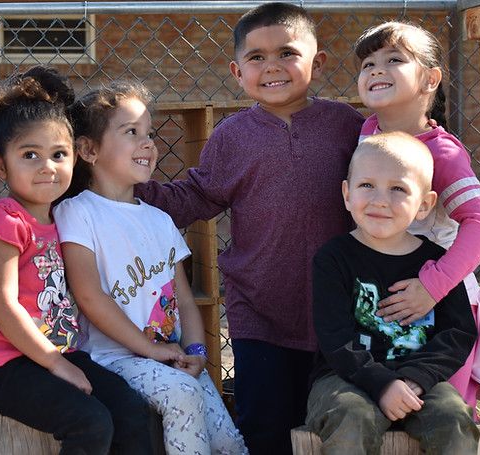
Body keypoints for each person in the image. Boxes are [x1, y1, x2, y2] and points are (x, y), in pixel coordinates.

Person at [134, 3, 364, 453]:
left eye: (287, 53)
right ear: (238, 72)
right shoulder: (232, 136)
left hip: (339, 310)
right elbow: (196, 197)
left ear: (317, 62)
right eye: (257, 58)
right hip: (258, 310)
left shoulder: (348, 126)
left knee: (329, 424)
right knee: (266, 427)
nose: (272, 66)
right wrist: (125, 185)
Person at [0, 66, 153, 455]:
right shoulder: (4, 221)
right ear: (0, 164)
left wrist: (62, 361)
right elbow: (2, 304)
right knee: (90, 422)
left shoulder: (61, 218)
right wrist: (56, 364)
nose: (47, 166)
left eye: (58, 154)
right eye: (30, 155)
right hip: (6, 366)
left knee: (132, 412)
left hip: (59, 354)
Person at [53, 80, 248, 455]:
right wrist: (149, 348)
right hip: (113, 358)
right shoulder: (77, 213)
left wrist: (195, 351)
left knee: (228, 441)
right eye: (131, 132)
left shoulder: (159, 219)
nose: (148, 143)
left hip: (172, 356)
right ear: (89, 149)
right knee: (182, 395)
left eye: (149, 133)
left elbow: (185, 300)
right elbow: (90, 296)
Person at [354, 20, 480, 438]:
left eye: (394, 60)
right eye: (368, 63)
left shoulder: (440, 152)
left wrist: (434, 285)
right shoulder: (367, 133)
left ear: (430, 78)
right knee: (383, 417)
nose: (376, 69)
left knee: (438, 416)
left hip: (441, 308)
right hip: (386, 301)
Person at [307, 131, 479, 454]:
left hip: (419, 382)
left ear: (425, 204)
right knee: (351, 416)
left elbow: (458, 333)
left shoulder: (437, 263)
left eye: (398, 189)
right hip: (346, 378)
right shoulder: (332, 259)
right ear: (347, 194)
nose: (380, 200)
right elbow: (335, 338)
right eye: (366, 185)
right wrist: (382, 384)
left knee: (453, 417)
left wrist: (416, 379)